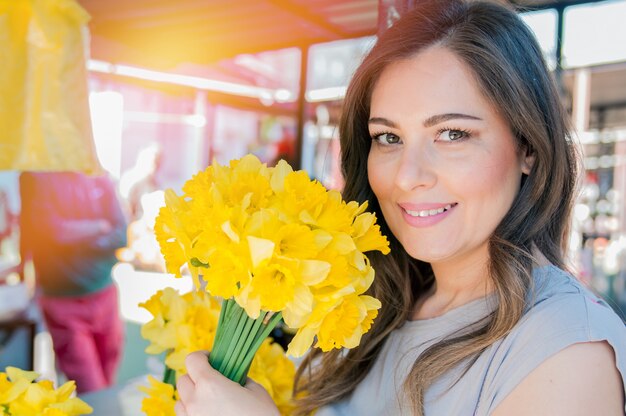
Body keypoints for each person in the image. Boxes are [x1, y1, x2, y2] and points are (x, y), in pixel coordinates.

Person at [174, 1, 626, 415]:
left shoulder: (566, 350)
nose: (408, 176)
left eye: (452, 134)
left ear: (528, 146)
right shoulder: (376, 305)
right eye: (388, 138)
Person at [19, 171, 127, 394]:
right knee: (90, 388)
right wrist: (97, 227)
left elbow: (121, 234)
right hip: (62, 300)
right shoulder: (35, 176)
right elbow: (50, 232)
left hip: (104, 293)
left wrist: (74, 236)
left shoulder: (99, 176)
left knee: (108, 382)